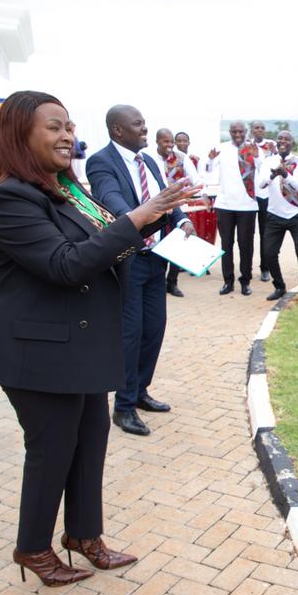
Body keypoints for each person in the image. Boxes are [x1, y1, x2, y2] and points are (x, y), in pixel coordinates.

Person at [0, 90, 201, 586]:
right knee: (52, 449)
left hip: (80, 342)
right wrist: (140, 217)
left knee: (90, 441)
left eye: (69, 126)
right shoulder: (12, 197)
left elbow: (103, 241)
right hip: (37, 347)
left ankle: (83, 536)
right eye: (53, 127)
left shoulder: (66, 188)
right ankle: (32, 548)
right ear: (19, 134)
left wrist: (154, 219)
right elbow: (64, 265)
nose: (66, 135)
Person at [87, 105, 199, 436]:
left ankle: (139, 392)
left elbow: (166, 198)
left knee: (154, 329)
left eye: (144, 123)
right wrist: (143, 219)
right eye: (138, 125)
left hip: (156, 258)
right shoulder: (101, 163)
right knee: (130, 334)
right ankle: (122, 408)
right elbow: (112, 202)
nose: (145, 129)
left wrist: (183, 219)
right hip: (129, 259)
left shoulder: (148, 161)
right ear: (117, 130)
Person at [203, 121, 259, 296]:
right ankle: (228, 281)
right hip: (225, 204)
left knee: (246, 245)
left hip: (248, 205)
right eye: (234, 131)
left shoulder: (253, 149)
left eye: (240, 131)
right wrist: (210, 159)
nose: (237, 134)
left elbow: (264, 171)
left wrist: (257, 157)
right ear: (229, 132)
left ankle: (245, 281)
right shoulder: (221, 148)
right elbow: (209, 172)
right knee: (226, 245)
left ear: (245, 132)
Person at [148, 127, 205, 298]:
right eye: (166, 142)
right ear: (157, 141)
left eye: (171, 142)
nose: (170, 145)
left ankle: (172, 283)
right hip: (156, 209)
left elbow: (197, 180)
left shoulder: (182, 158)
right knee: (157, 245)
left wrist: (190, 192)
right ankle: (156, 281)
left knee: (177, 245)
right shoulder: (148, 158)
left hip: (177, 209)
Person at [257, 130, 298, 300]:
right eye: (280, 138)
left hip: (295, 214)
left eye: (286, 139)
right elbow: (261, 184)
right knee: (269, 253)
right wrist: (273, 174)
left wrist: (285, 174)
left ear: (292, 142)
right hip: (274, 215)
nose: (283, 141)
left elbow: (296, 187)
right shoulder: (268, 161)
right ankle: (279, 286)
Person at [251, 121, 276, 282]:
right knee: (247, 234)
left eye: (262, 128)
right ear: (251, 130)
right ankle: (245, 269)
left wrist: (259, 157)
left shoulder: (271, 146)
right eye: (256, 128)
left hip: (265, 195)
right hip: (249, 196)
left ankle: (265, 268)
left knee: (265, 234)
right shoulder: (246, 146)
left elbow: (267, 168)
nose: (259, 130)